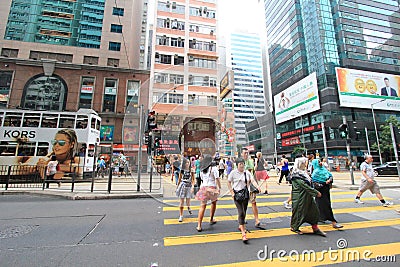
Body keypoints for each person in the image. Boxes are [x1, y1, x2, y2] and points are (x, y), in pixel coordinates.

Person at [228, 158, 260, 243]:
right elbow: (229, 182)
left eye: (243, 164)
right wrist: (232, 192)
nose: (242, 165)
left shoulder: (247, 173)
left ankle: (241, 225)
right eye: (240, 164)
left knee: (244, 211)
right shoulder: (233, 173)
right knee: (241, 212)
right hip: (237, 195)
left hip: (245, 195)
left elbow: (252, 180)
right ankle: (243, 233)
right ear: (237, 165)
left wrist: (257, 186)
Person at [290, 169, 326, 236]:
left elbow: (309, 183)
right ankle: (294, 227)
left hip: (308, 198)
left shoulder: (304, 174)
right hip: (300, 198)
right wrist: (316, 192)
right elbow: (305, 186)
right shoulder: (296, 176)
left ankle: (315, 228)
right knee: (299, 213)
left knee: (314, 212)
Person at [312, 159, 343, 229]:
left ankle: (320, 217)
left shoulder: (324, 169)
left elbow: (330, 176)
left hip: (326, 190)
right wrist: (322, 184)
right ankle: (333, 222)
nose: (320, 163)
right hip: (320, 191)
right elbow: (314, 182)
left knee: (321, 205)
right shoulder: (315, 172)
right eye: (318, 162)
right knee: (326, 205)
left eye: (320, 161)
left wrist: (329, 180)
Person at [195, 155, 221, 232]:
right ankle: (211, 218)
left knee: (202, 206)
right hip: (212, 188)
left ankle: (199, 225)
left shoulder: (202, 169)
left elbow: (202, 179)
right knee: (213, 203)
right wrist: (219, 188)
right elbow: (217, 179)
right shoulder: (214, 168)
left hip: (204, 188)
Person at [242, 148, 262, 227]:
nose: (246, 154)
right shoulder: (239, 162)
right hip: (242, 187)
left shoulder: (250, 162)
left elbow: (253, 172)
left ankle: (257, 220)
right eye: (245, 153)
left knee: (253, 202)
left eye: (247, 153)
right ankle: (243, 218)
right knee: (244, 204)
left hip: (251, 185)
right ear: (241, 154)